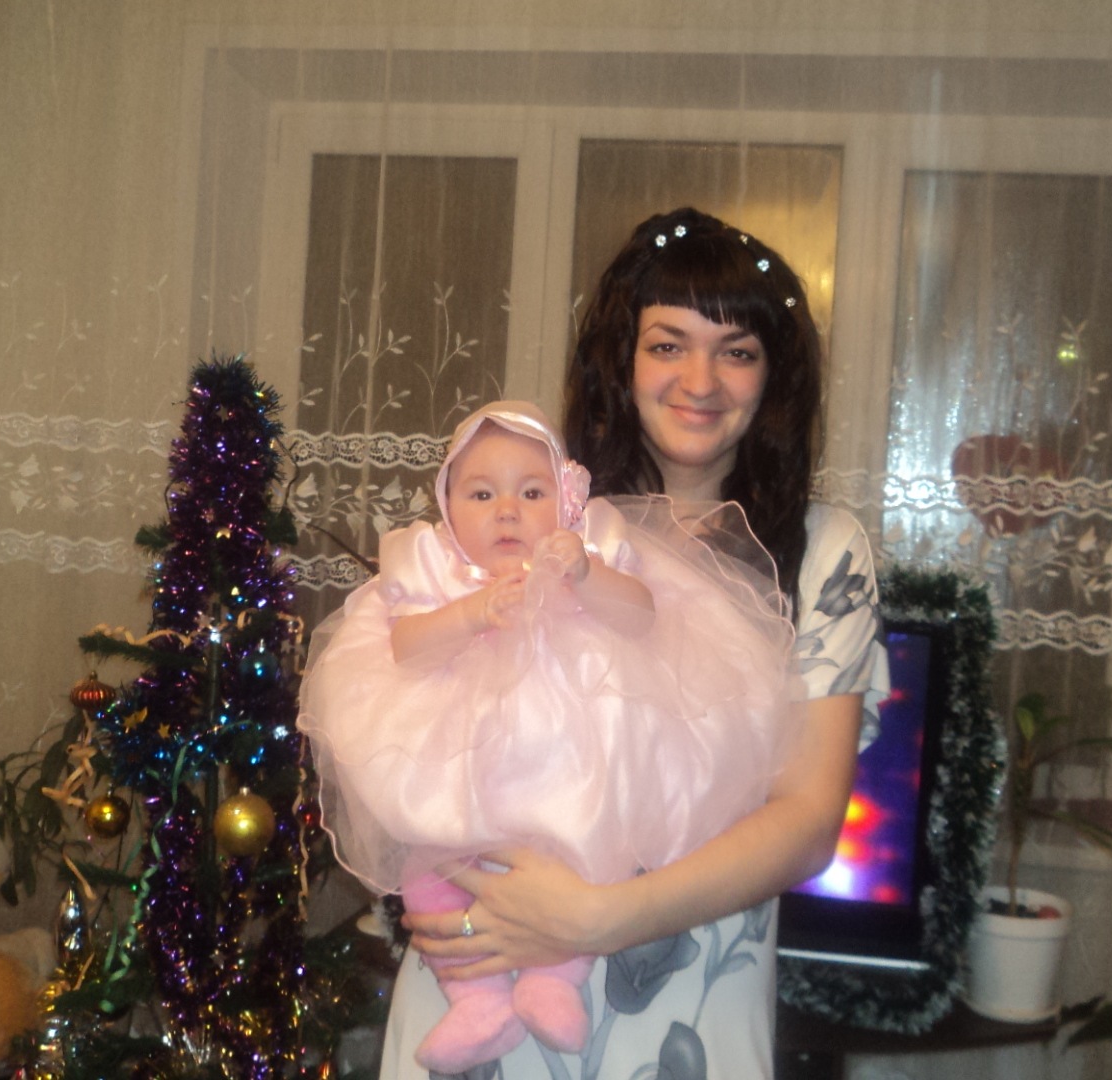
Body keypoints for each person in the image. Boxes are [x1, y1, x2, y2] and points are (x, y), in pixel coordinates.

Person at [386, 208, 889, 1079]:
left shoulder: (822, 551)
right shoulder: (533, 514)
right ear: (621, 359)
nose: (701, 379)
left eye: (737, 351)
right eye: (667, 345)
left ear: (774, 375)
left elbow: (809, 824)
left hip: (686, 1003)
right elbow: (406, 709)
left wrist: (595, 918)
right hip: (482, 966)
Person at [299, 400, 802, 1074]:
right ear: (448, 505)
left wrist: (587, 576)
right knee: (429, 869)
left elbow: (642, 616)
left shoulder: (590, 547)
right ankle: (477, 1002)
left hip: (563, 772)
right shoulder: (434, 568)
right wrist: (471, 613)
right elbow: (406, 647)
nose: (507, 512)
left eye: (531, 493)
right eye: (482, 495)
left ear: (565, 501)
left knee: (590, 848)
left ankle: (554, 982)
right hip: (458, 774)